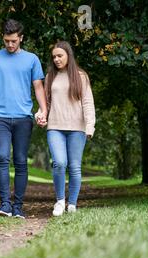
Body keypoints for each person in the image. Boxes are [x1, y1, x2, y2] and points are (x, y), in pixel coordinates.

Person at [0, 19, 48, 219]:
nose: (10, 45)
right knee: (1, 157)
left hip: (23, 117)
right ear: (3, 38)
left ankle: (18, 206)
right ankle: (5, 205)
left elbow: (38, 87)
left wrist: (43, 111)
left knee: (20, 161)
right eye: (7, 41)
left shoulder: (32, 59)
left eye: (14, 41)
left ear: (21, 39)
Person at [37, 41, 96, 216]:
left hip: (77, 128)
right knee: (59, 163)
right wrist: (40, 115)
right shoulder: (50, 77)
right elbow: (45, 103)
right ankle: (60, 201)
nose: (56, 59)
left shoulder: (81, 76)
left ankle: (72, 204)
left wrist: (90, 126)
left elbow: (87, 103)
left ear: (68, 56)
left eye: (60, 56)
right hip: (55, 127)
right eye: (54, 56)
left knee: (75, 167)